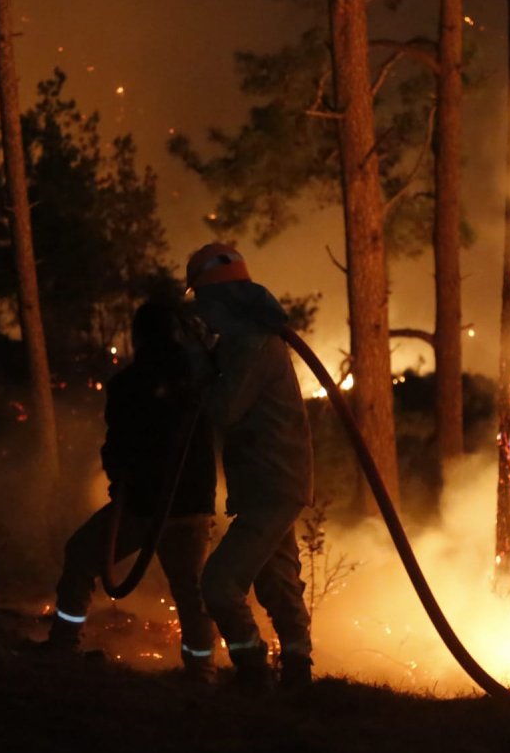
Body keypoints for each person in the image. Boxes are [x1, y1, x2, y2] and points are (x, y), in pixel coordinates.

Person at [43, 298, 218, 682]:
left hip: (144, 505)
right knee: (191, 591)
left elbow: (119, 444)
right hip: (187, 506)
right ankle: (202, 670)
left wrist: (118, 473)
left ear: (138, 338)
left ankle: (63, 643)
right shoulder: (202, 378)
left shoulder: (132, 384)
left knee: (83, 553)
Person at [184, 242, 315, 690]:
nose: (202, 313)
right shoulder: (247, 339)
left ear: (220, 299)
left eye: (203, 303)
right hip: (270, 482)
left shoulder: (253, 344)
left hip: (271, 484)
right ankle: (298, 672)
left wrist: (198, 367)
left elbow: (223, 410)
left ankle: (252, 670)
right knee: (278, 582)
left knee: (219, 583)